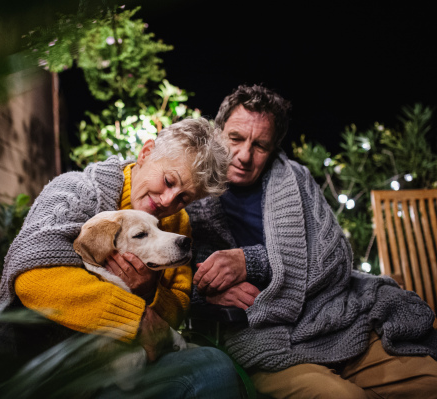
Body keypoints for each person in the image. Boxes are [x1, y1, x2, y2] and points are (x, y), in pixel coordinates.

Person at [0, 117, 242, 399]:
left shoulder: (175, 225)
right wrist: (135, 318)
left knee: (217, 367)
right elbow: (34, 278)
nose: (169, 200)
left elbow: (177, 303)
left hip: (126, 359)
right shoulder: (75, 191)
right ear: (146, 153)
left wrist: (149, 291)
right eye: (169, 181)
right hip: (48, 345)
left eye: (184, 197)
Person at [186, 84, 437, 398]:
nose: (245, 155)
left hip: (334, 319)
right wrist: (203, 293)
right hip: (262, 338)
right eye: (235, 138)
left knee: (430, 382)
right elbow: (169, 271)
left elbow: (335, 260)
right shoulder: (190, 185)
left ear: (274, 146)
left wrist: (251, 262)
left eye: (260, 145)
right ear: (218, 131)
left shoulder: (295, 179)